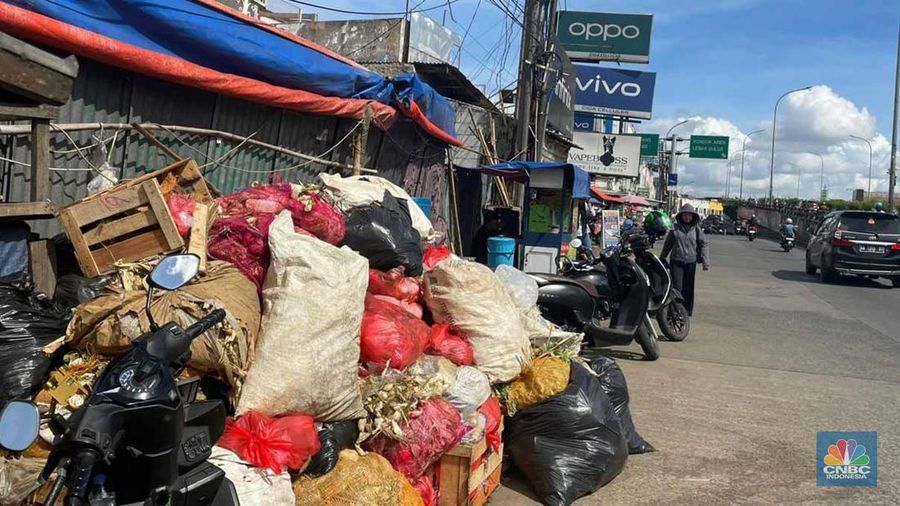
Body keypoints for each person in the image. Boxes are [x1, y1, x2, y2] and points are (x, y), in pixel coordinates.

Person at [661, 204, 710, 316]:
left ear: (693, 216)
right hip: (676, 261)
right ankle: (674, 310)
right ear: (681, 216)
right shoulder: (675, 229)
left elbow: (704, 244)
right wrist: (662, 257)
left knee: (688, 288)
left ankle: (686, 311)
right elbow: (668, 244)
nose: (687, 217)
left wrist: (705, 261)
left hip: (690, 262)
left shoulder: (696, 229)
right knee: (677, 288)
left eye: (690, 215)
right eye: (685, 215)